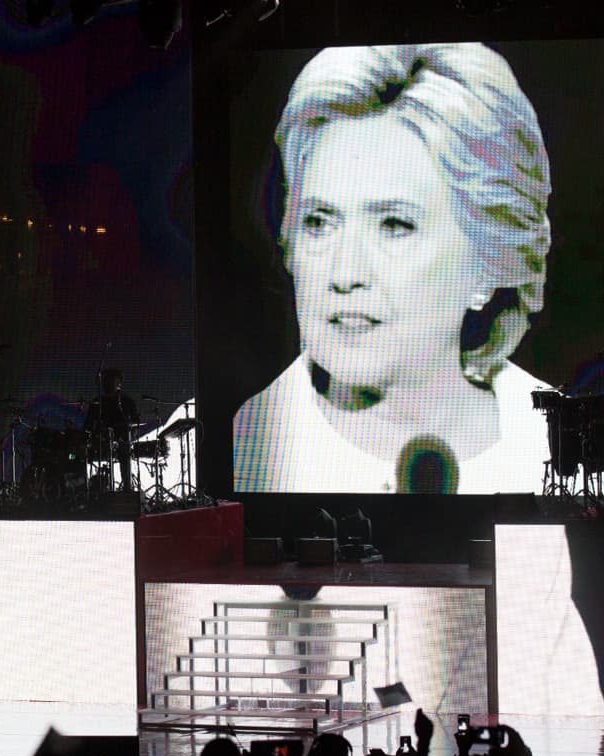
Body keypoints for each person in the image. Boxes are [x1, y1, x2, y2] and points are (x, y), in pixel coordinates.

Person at [233, 43, 552, 494]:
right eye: (318, 222)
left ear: (487, 264)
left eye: (394, 225)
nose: (344, 273)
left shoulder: (566, 451)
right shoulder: (220, 447)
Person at [83, 367, 141, 491]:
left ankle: (127, 487)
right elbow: (87, 426)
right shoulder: (97, 402)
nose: (107, 384)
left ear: (118, 383)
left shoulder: (126, 401)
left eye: (110, 381)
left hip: (120, 442)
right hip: (99, 442)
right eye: (105, 381)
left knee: (124, 452)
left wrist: (131, 431)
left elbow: (136, 422)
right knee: (79, 453)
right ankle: (85, 489)